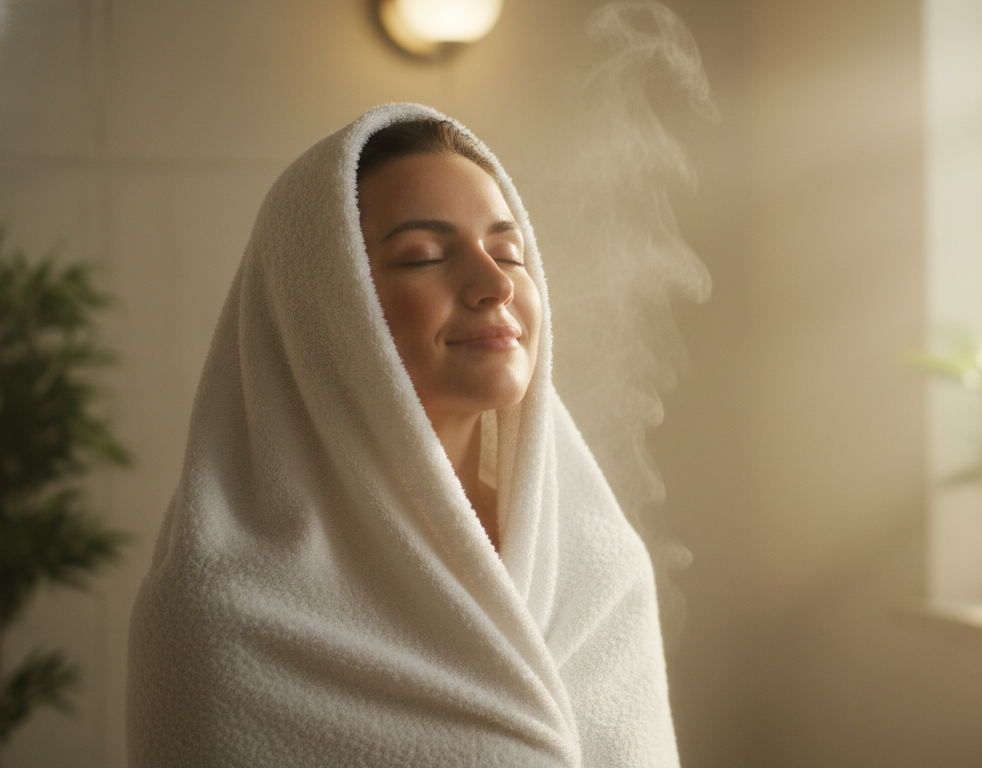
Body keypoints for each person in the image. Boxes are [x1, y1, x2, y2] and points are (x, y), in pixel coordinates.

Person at [127, 103, 679, 767]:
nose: (494, 282)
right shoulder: (223, 609)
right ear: (329, 308)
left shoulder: (600, 569)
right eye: (424, 256)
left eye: (509, 251)